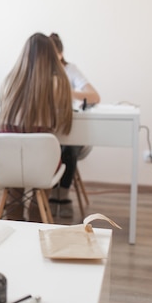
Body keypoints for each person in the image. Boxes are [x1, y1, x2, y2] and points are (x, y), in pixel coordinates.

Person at [0, 33, 73, 221]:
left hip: (7, 160)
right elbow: (63, 121)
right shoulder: (60, 82)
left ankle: (14, 218)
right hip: (42, 160)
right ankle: (36, 214)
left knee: (15, 178)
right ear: (51, 54)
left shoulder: (9, 81)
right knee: (43, 165)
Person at [49, 33, 101, 218]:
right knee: (48, 144)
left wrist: (67, 92)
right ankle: (49, 192)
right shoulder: (40, 71)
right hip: (49, 131)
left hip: (70, 130)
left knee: (68, 146)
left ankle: (61, 195)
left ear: (60, 54)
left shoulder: (70, 70)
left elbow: (94, 96)